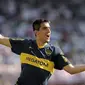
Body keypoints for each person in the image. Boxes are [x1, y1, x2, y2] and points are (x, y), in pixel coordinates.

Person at [0, 19, 85, 85]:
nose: (48, 31)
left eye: (49, 29)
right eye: (44, 28)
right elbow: (2, 39)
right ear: (36, 33)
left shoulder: (54, 51)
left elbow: (71, 70)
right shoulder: (25, 44)